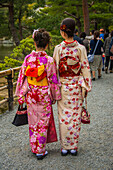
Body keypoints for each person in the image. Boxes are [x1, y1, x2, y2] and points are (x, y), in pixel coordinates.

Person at [15, 28, 61, 160]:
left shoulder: (28, 58)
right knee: (42, 121)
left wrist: (20, 94)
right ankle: (40, 150)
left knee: (33, 121)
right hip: (44, 94)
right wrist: (54, 96)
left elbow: (22, 77)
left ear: (35, 43)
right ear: (47, 44)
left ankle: (35, 147)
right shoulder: (50, 60)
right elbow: (53, 80)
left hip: (31, 93)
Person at [53, 18, 92, 156]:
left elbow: (54, 71)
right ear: (73, 31)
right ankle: (73, 147)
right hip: (76, 87)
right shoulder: (81, 49)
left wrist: (54, 88)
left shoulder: (58, 49)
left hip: (63, 87)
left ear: (63, 32)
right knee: (75, 117)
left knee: (64, 117)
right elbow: (85, 67)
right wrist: (86, 86)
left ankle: (64, 147)